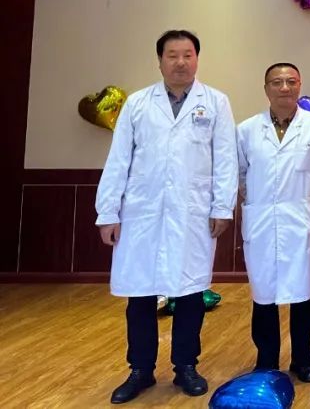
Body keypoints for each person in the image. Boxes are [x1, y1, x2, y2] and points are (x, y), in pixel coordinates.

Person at [96, 29, 237, 404]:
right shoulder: (138, 103)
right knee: (141, 293)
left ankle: (186, 366)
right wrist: (108, 211)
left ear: (197, 59)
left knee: (190, 292)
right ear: (159, 61)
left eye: (188, 55)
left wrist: (222, 207)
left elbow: (225, 159)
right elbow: (118, 159)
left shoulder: (216, 102)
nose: (180, 62)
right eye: (172, 55)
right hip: (142, 213)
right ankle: (140, 370)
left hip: (193, 212)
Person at [236, 63, 310, 382]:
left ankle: (302, 359)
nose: (284, 88)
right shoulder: (247, 130)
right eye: (276, 82)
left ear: (299, 86)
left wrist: (309, 202)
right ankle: (266, 359)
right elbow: (239, 174)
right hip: (261, 220)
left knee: (302, 293)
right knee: (263, 294)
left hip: (299, 220)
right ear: (266, 88)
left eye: (291, 81)